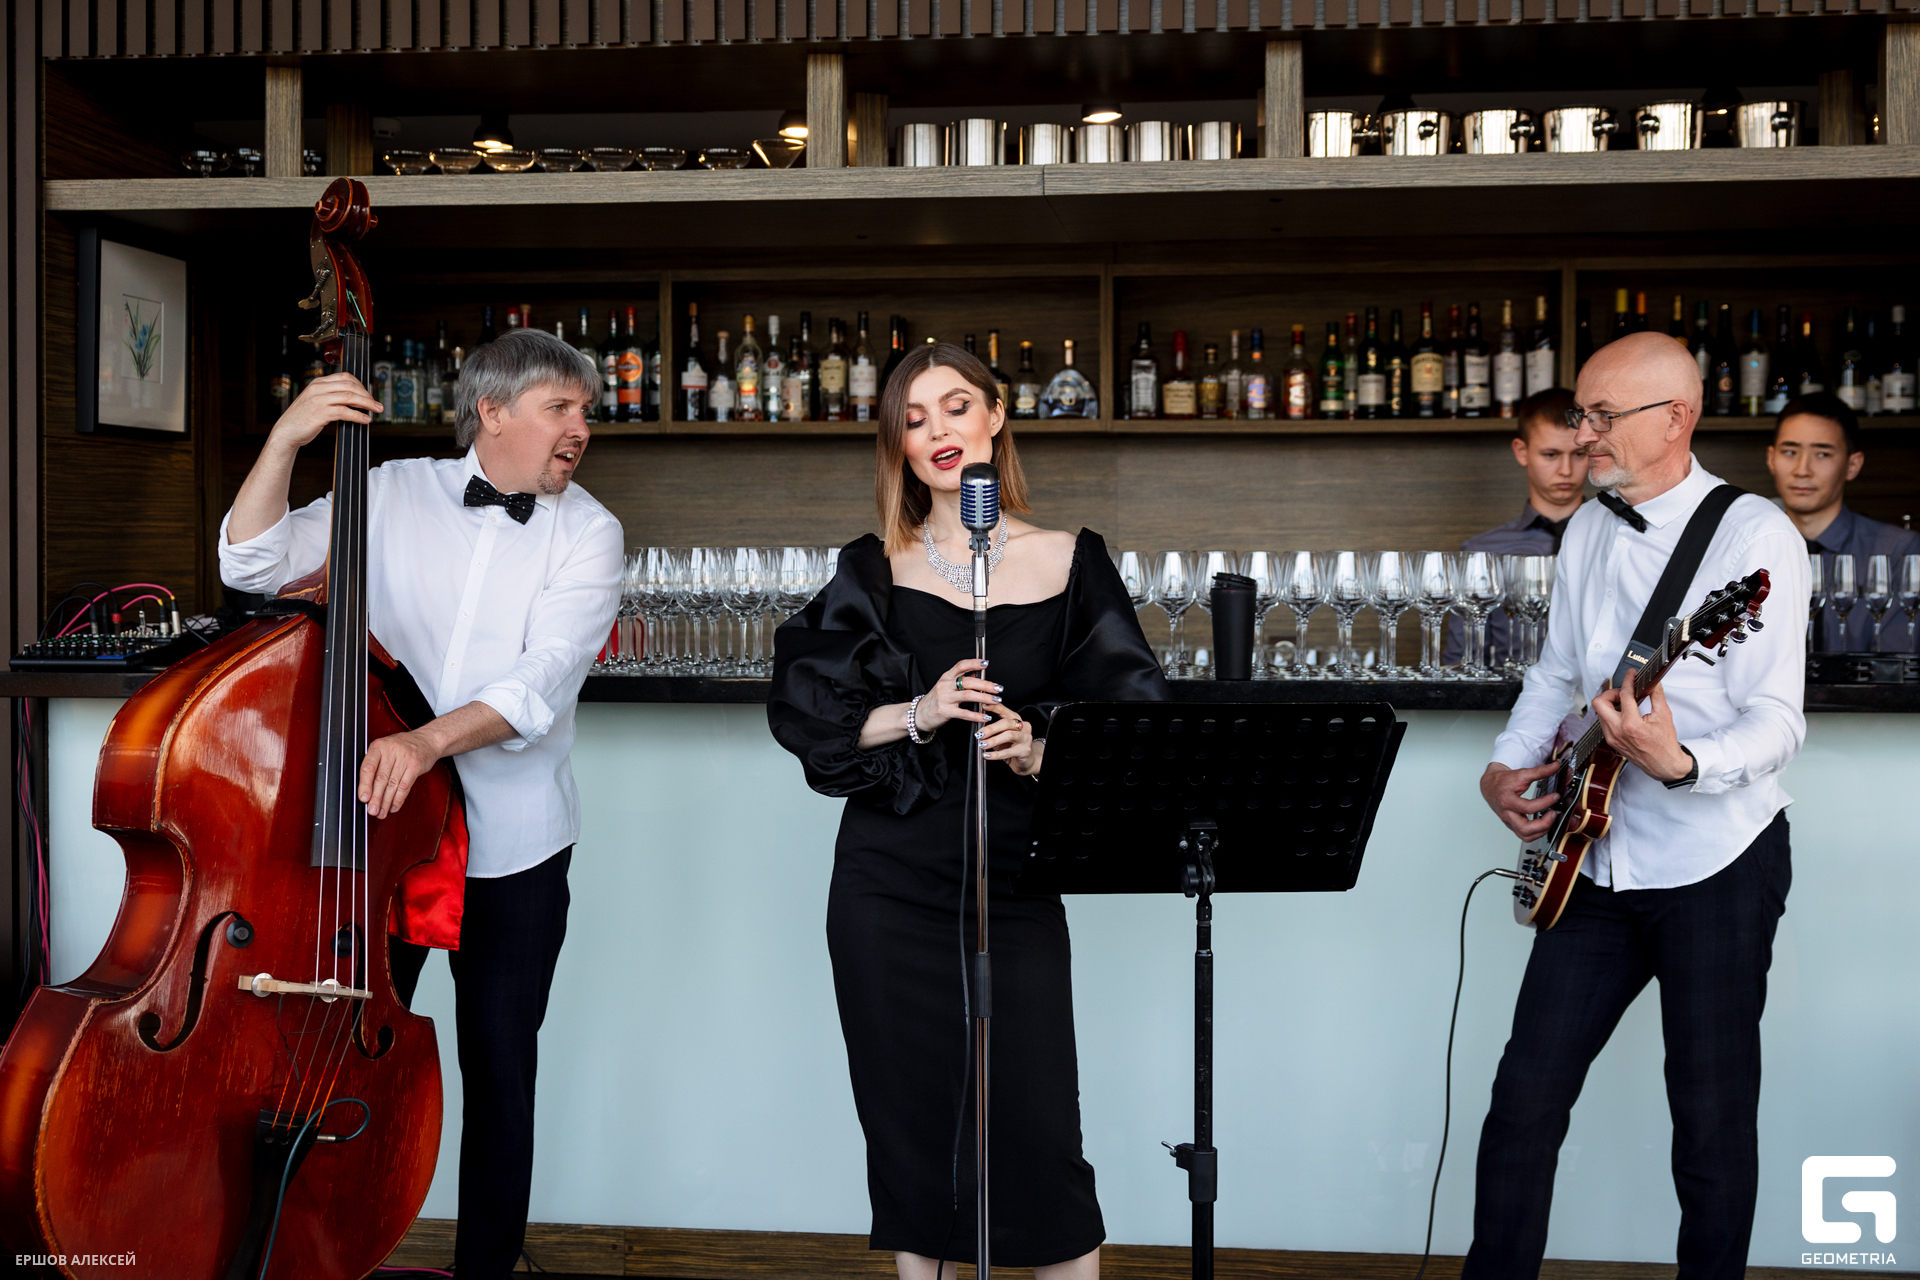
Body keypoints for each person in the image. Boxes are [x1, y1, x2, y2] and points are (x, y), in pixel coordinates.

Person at [219, 328, 623, 1280]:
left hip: (514, 846)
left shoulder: (590, 532)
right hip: (376, 837)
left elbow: (540, 681)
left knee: (500, 1069)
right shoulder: (390, 491)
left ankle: (486, 1270)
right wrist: (286, 440)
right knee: (336, 1057)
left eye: (587, 411)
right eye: (561, 408)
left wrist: (426, 742)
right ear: (492, 411)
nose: (582, 428)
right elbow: (252, 567)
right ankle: (318, 1257)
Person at [768, 342, 1168, 1280]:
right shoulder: (874, 567)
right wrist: (921, 710)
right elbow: (808, 715)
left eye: (955, 407)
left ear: (996, 416)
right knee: (916, 1143)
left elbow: (1134, 731)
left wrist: (1035, 747)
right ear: (899, 449)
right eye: (913, 420)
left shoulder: (1072, 560)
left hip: (1015, 884)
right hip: (887, 888)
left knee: (1038, 1134)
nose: (938, 431)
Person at [1471, 332, 1808, 1280]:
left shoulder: (1754, 539)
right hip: (1593, 857)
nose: (1583, 435)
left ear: (1677, 419)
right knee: (1523, 1102)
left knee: (1709, 1122)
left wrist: (1684, 761)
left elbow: (1779, 720)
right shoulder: (1587, 527)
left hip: (1717, 863)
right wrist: (1504, 767)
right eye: (1580, 414)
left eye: (1602, 416)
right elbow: (1556, 674)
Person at [1766, 391, 1919, 652]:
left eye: (1822, 454)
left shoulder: (1898, 551)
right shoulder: (1749, 546)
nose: (1802, 470)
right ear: (1771, 459)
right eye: (1790, 452)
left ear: (1853, 465)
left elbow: (1895, 667)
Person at [1443, 387, 1586, 666]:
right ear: (1522, 452)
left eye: (1579, 454)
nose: (1566, 470)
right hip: (1509, 693)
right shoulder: (1482, 551)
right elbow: (1462, 661)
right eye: (1551, 454)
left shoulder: (1619, 539)